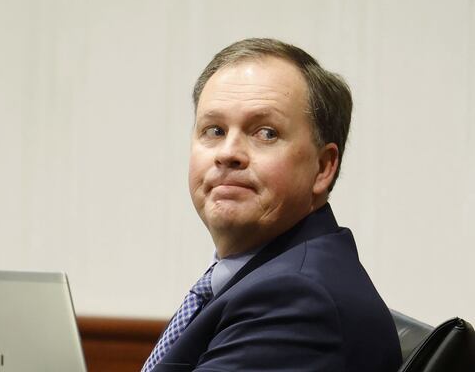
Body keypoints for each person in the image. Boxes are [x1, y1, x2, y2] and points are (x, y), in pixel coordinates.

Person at [141, 38, 401, 372]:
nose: (227, 153)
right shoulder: (261, 275)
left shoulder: (297, 300)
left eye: (265, 133)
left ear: (323, 167)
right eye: (215, 130)